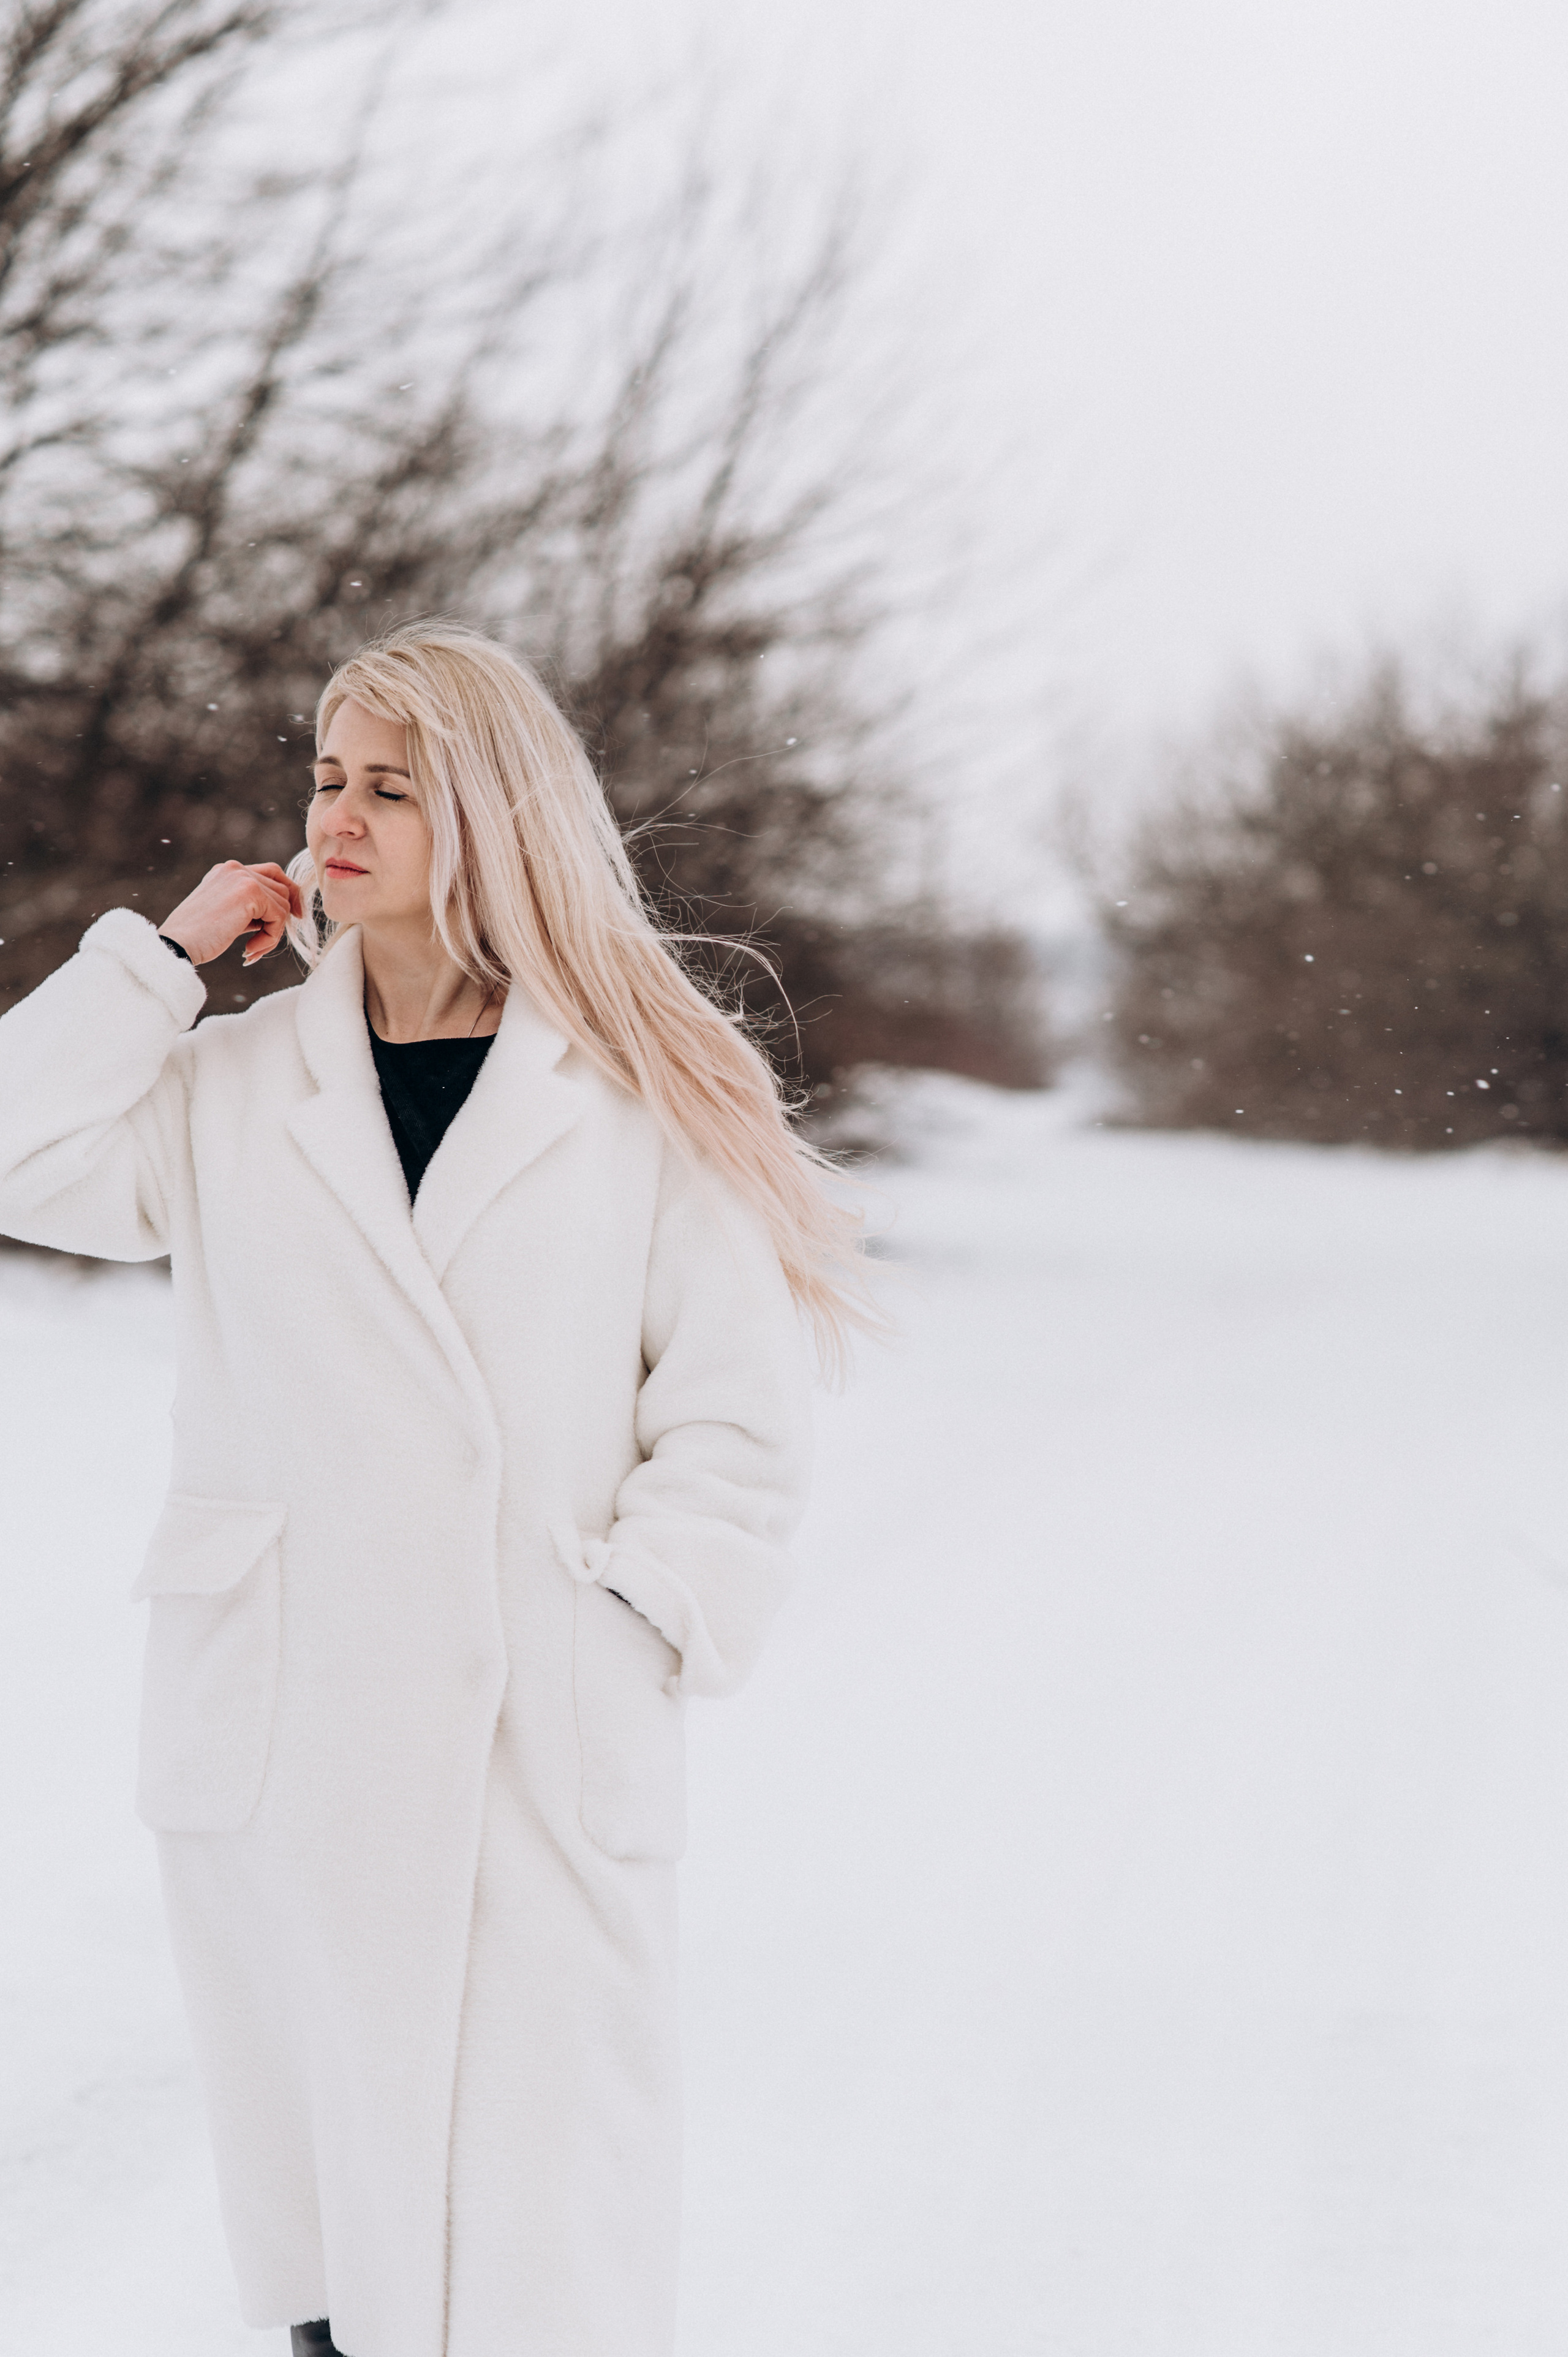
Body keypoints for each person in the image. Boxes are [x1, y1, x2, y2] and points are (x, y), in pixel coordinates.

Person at [0, 622, 869, 2357]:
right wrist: (166, 961)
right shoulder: (236, 1088)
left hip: (528, 1740)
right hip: (289, 1741)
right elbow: (19, 1141)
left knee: (541, 2248)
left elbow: (734, 1431)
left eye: (394, 785)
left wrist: (625, 1626)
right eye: (329, 776)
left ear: (489, 817)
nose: (340, 813)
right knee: (334, 2248)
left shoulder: (640, 1099)